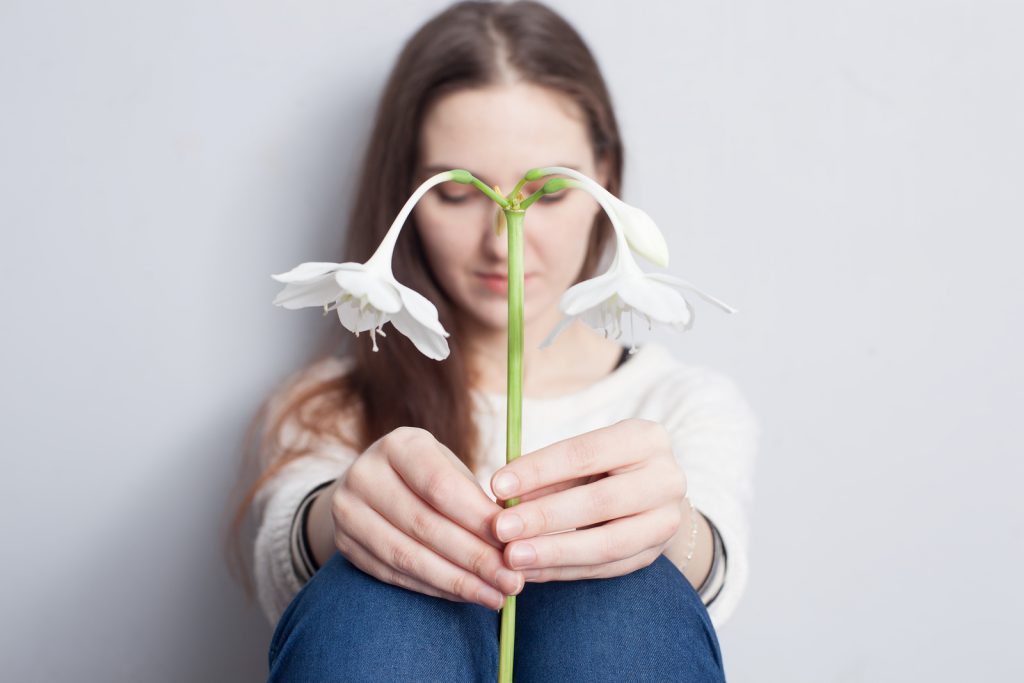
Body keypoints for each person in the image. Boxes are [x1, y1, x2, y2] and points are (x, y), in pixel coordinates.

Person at [227, 1, 758, 680]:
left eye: (552, 191)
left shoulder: (685, 401)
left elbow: (717, 574)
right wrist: (339, 515)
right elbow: (284, 556)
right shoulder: (329, 401)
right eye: (455, 193)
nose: (504, 238)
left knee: (627, 593)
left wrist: (669, 525)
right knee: (376, 591)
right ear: (406, 193)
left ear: (608, 179)